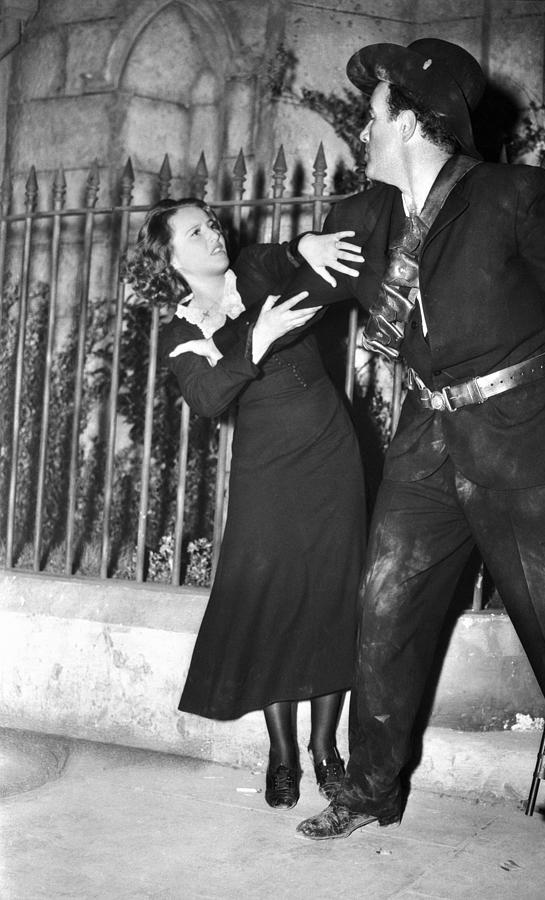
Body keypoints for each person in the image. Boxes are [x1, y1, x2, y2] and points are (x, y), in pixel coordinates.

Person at [281, 39, 545, 900]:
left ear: (417, 123)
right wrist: (294, 255)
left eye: (374, 111)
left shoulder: (513, 197)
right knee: (383, 605)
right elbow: (272, 285)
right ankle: (371, 789)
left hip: (522, 438)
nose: (363, 127)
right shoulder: (366, 217)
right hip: (426, 441)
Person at [125, 198, 367, 810]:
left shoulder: (255, 274)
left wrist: (305, 245)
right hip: (266, 470)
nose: (214, 234)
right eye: (196, 231)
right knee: (274, 603)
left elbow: (282, 256)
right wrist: (253, 340)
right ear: (170, 257)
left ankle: (325, 751)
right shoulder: (185, 330)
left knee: (334, 593)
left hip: (330, 450)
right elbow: (206, 397)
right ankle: (283, 754)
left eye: (211, 222)